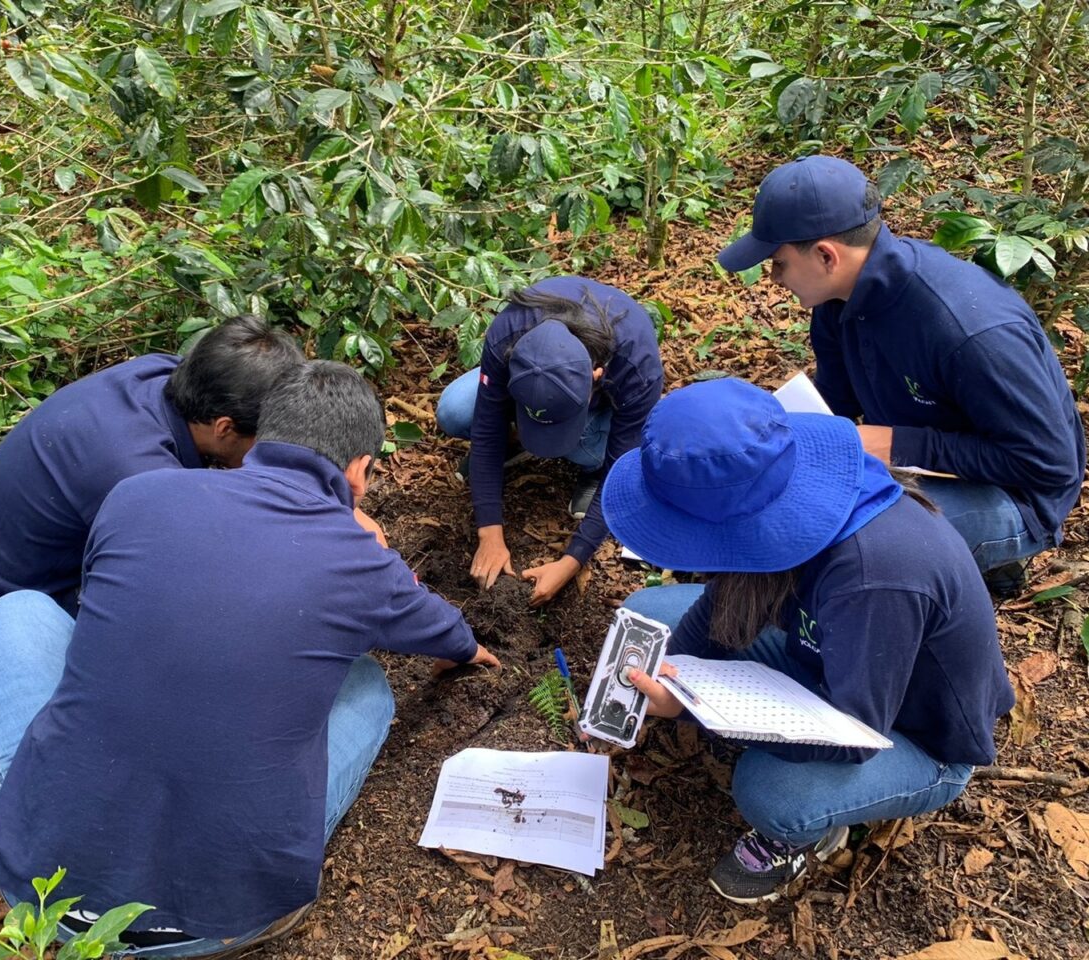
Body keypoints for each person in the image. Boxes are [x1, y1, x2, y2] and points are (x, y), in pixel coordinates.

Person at [0, 360, 500, 956]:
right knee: (369, 684)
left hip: (46, 887)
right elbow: (446, 632)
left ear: (255, 437)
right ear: (358, 471)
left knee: (15, 612)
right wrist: (470, 652)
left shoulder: (137, 495)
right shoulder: (363, 563)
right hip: (219, 918)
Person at [601, 378, 1014, 904]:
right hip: (821, 654)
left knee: (770, 792)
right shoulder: (783, 490)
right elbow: (727, 597)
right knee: (647, 616)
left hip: (909, 732)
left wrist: (688, 707)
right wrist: (677, 670)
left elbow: (855, 732)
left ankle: (810, 832)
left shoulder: (875, 578)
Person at [717, 155, 1085, 592]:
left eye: (777, 264)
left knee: (842, 547)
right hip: (917, 463)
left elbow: (1048, 466)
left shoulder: (968, 330)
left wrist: (898, 443)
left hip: (1017, 496)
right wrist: (761, 436)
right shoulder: (837, 301)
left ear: (825, 255)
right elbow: (837, 397)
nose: (774, 279)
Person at [0, 315, 304, 623]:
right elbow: (215, 572)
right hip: (18, 601)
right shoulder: (140, 476)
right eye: (267, 439)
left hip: (4, 555)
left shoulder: (161, 372)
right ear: (224, 428)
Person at [435, 277, 663, 605]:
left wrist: (573, 560)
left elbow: (622, 470)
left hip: (605, 412)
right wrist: (489, 533)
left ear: (596, 376)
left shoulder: (636, 365)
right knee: (455, 411)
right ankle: (519, 440)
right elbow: (486, 429)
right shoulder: (508, 333)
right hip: (538, 381)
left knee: (589, 451)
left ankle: (585, 462)